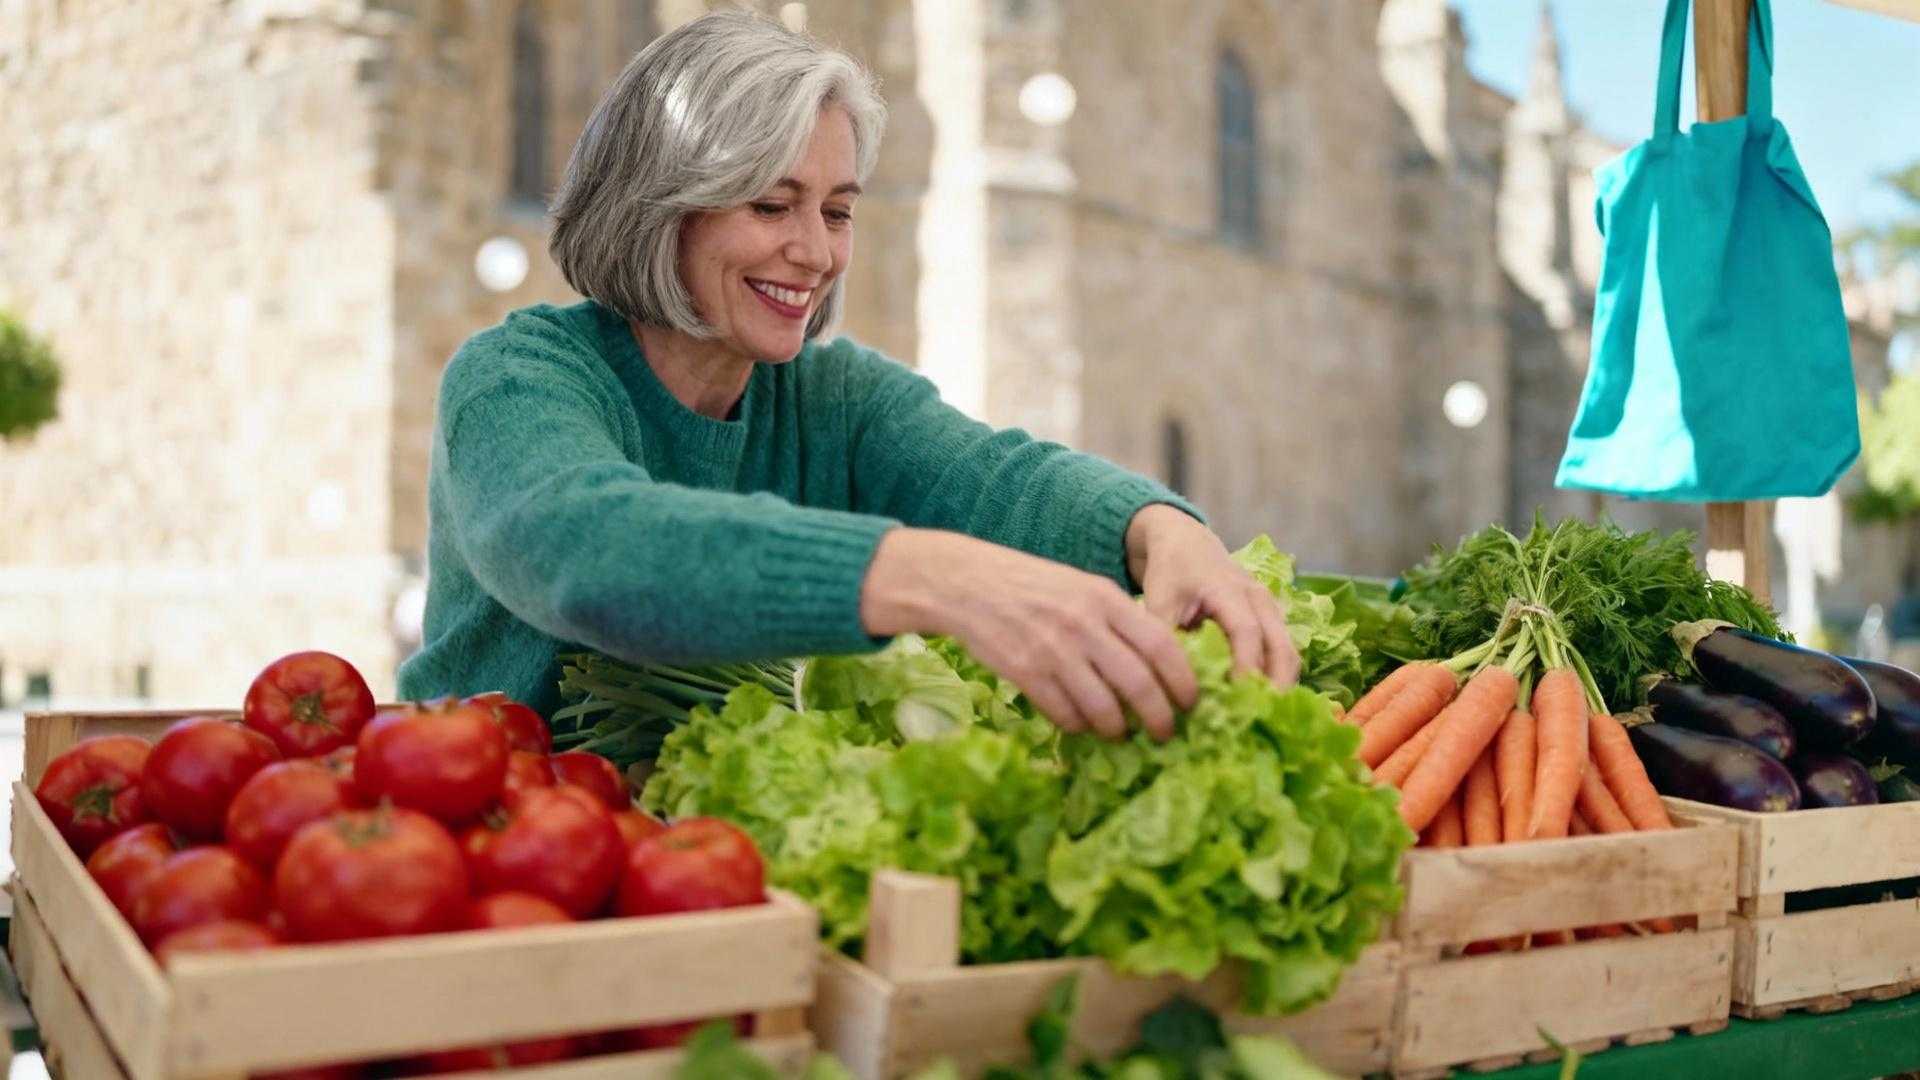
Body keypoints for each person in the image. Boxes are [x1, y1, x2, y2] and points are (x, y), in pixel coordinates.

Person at [396, 10, 1297, 741]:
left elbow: (998, 478)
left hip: (713, 870)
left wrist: (1159, 529)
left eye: (837, 211)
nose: (815, 251)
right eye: (772, 204)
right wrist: (933, 576)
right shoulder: (517, 378)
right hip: (486, 856)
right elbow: (585, 551)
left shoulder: (835, 398)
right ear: (660, 208)